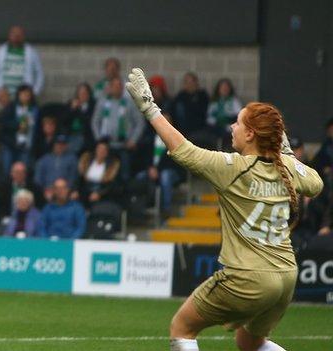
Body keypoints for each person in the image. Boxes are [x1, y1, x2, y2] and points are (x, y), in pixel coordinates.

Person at [125, 68, 323, 351]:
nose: (232, 127)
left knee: (182, 328)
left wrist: (149, 107)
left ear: (251, 134)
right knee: (250, 342)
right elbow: (315, 184)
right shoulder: (288, 168)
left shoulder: (232, 168)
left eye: (238, 123)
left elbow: (183, 150)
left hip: (248, 276)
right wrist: (287, 154)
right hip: (285, 277)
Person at [91, 77, 145, 181]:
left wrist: (134, 140)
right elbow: (95, 122)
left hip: (124, 145)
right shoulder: (103, 102)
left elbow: (140, 123)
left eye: (120, 86)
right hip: (106, 144)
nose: (118, 88)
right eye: (115, 86)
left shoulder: (130, 103)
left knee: (124, 174)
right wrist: (99, 140)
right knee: (105, 172)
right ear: (110, 87)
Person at [0, 25, 44, 97]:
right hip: (3, 96)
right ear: (9, 35)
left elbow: (39, 73)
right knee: (0, 109)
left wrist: (35, 92)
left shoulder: (31, 52)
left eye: (19, 35)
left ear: (23, 36)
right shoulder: (0, 51)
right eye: (14, 34)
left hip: (24, 97)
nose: (16, 37)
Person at [1, 84, 39, 173]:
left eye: (28, 94)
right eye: (23, 94)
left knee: (23, 171)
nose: (25, 97)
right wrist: (18, 125)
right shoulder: (11, 107)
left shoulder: (35, 110)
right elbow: (4, 124)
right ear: (18, 95)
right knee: (7, 170)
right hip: (11, 145)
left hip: (26, 146)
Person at [78, 139, 121, 206]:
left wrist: (99, 193)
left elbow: (112, 184)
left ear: (107, 152)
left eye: (104, 150)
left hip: (103, 191)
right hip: (86, 190)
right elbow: (79, 179)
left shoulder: (112, 165)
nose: (101, 151)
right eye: (99, 149)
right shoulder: (86, 160)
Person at [169, 72, 209, 142]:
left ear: (196, 83)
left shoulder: (202, 96)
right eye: (187, 82)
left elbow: (203, 114)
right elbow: (173, 112)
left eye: (191, 82)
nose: (189, 85)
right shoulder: (180, 96)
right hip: (181, 130)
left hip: (198, 129)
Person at [207, 78, 243, 148]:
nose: (224, 89)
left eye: (226, 87)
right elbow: (209, 116)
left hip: (229, 126)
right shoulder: (214, 101)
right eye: (222, 87)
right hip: (215, 127)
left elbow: (238, 115)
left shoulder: (234, 101)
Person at [64, 82, 96, 154]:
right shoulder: (71, 104)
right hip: (72, 134)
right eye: (80, 93)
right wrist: (72, 109)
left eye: (85, 93)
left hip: (86, 136)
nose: (82, 96)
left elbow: (88, 121)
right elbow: (64, 120)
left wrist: (79, 110)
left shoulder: (93, 105)